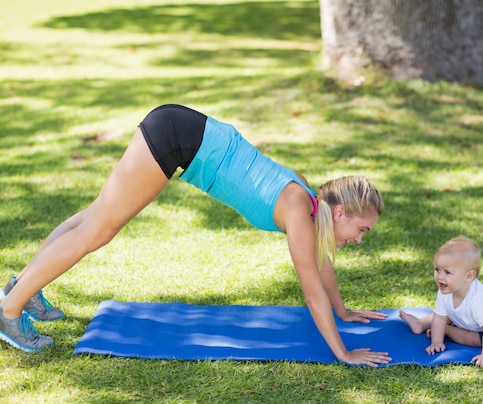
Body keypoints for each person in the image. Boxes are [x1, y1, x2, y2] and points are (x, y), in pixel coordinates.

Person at [0, 104, 391, 366]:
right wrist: (343, 353)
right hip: (178, 139)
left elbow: (321, 262)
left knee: (94, 218)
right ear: (339, 212)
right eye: (361, 229)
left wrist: (343, 312)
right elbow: (311, 291)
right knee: (99, 229)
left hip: (184, 131)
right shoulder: (298, 213)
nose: (359, 239)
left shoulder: (308, 200)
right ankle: (9, 311)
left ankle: (26, 288)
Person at [400, 236, 483, 368]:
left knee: (471, 338)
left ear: (469, 276)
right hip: (473, 319)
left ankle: (448, 330)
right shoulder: (446, 288)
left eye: (447, 272)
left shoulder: (479, 299)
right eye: (437, 269)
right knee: (443, 315)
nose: (440, 276)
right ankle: (421, 323)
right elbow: (439, 318)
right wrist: (436, 341)